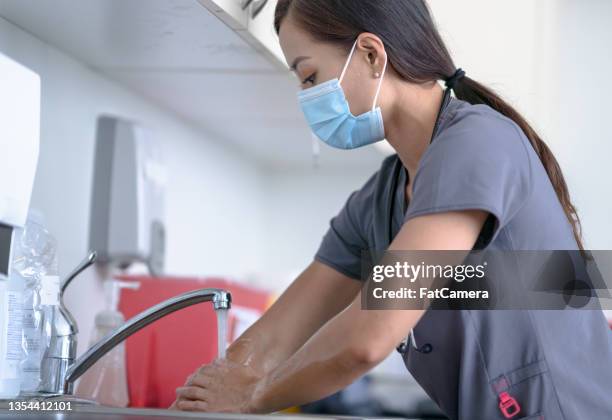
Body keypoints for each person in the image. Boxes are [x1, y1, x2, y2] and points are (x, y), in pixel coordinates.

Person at [171, 1, 612, 418]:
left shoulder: (477, 144)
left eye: (309, 77)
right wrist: (215, 385)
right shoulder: (380, 197)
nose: (306, 97)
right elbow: (282, 331)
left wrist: (253, 396)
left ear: (370, 54)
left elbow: (370, 336)